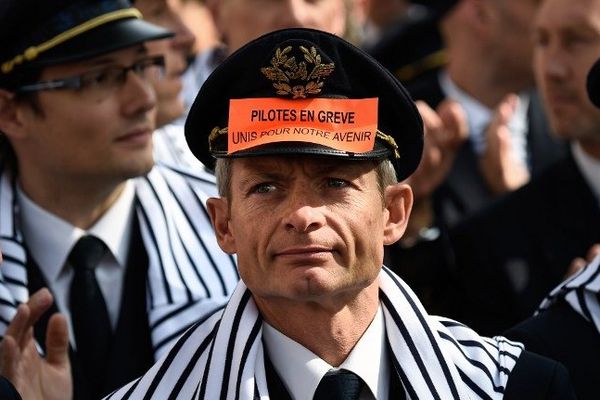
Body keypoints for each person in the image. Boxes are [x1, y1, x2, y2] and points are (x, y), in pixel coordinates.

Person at [104, 28, 575, 399]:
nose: (302, 214)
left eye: (335, 183)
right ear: (223, 224)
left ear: (394, 213)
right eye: (267, 187)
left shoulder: (515, 388)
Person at [0, 1, 238, 398]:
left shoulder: (234, 227)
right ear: (11, 111)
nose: (143, 99)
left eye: (142, 66)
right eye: (101, 78)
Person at [448, 0, 600, 335]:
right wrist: (565, 327)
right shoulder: (491, 244)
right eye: (542, 41)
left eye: (577, 40)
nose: (552, 69)